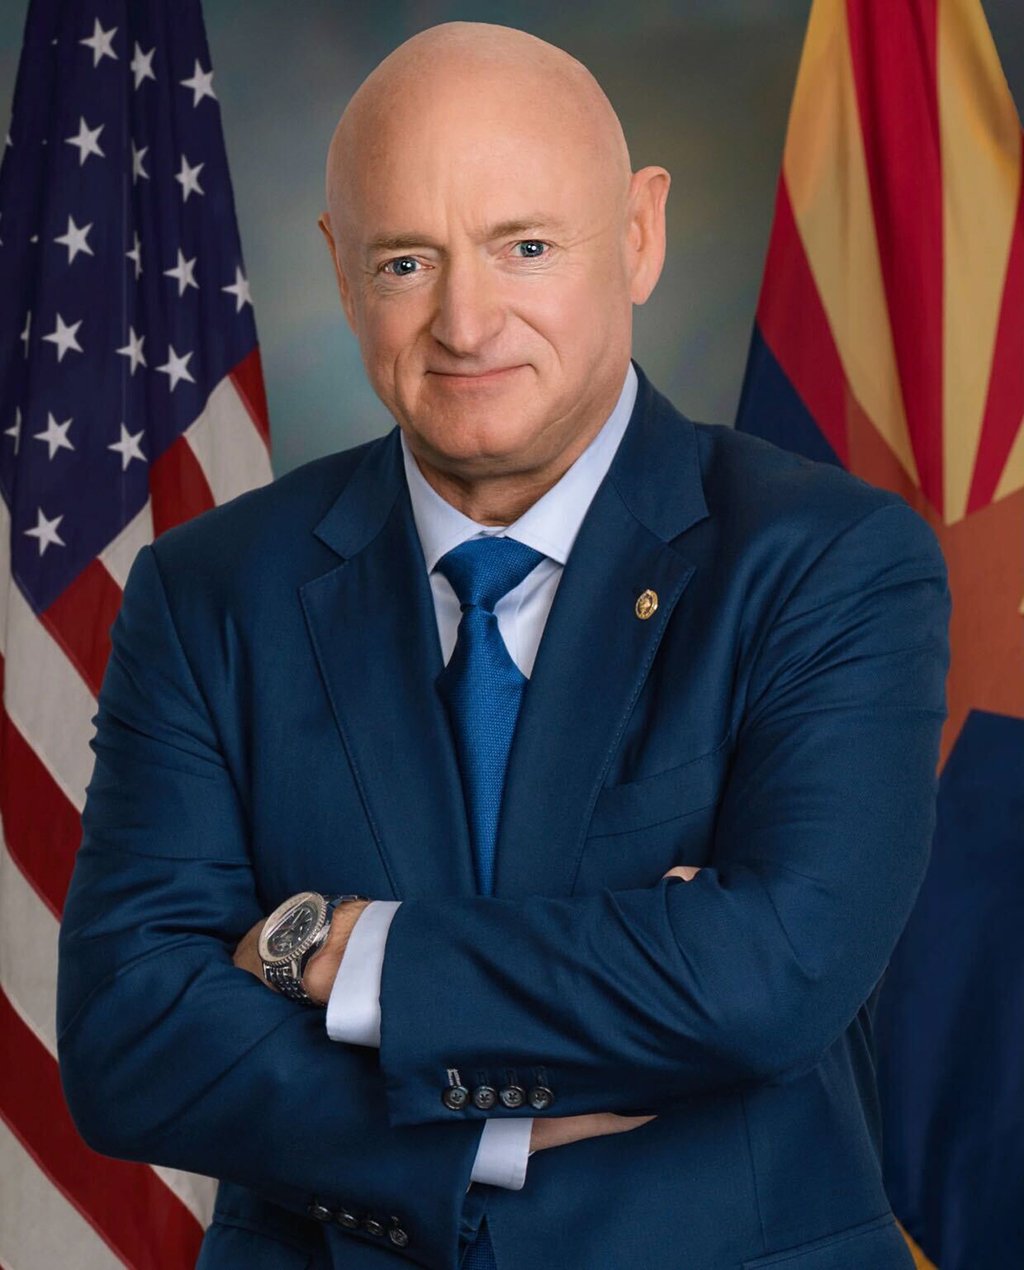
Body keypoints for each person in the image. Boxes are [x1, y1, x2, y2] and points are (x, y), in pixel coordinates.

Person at [56, 20, 950, 1270]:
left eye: (525, 247)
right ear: (338, 266)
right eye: (407, 261)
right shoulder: (207, 590)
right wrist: (491, 1130)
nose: (465, 322)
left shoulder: (830, 562)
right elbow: (129, 1036)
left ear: (638, 235)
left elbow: (771, 976)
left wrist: (336, 946)